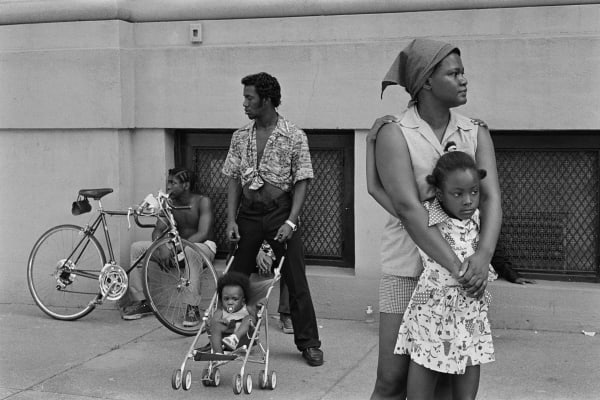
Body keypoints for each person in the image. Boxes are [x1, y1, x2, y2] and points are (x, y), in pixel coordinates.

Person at [366, 38, 502, 399]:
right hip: (407, 271)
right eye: (453, 73)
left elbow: (491, 199)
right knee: (392, 380)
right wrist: (459, 265)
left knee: (446, 377)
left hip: (464, 274)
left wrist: (483, 255)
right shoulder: (394, 132)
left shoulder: (476, 131)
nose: (463, 80)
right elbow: (409, 209)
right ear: (426, 80)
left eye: (462, 72)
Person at [221, 72, 323, 367]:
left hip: (280, 213)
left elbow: (303, 179)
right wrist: (231, 220)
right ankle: (229, 336)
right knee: (235, 280)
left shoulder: (293, 135)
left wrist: (291, 221)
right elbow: (232, 180)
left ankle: (309, 343)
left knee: (296, 279)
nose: (244, 103)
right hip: (248, 216)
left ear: (266, 99)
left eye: (249, 97)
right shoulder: (240, 137)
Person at [394, 150, 497, 399]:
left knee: (466, 388)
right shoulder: (426, 216)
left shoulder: (479, 220)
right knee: (420, 392)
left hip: (470, 316)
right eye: (458, 194)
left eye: (474, 192)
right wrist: (372, 138)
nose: (468, 201)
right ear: (440, 193)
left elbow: (490, 254)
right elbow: (378, 190)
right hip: (431, 315)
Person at [122, 168, 217, 326]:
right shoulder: (168, 203)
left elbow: (202, 233)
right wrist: (161, 248)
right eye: (168, 182)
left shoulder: (202, 201)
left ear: (186, 185)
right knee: (137, 248)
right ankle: (142, 302)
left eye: (173, 183)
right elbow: (157, 231)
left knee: (190, 250)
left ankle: (192, 308)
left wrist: (174, 248)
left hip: (203, 247)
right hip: (176, 246)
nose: (168, 186)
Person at [208, 271, 257, 353]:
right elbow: (213, 322)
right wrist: (219, 321)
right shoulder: (221, 311)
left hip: (243, 339)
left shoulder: (246, 308)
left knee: (249, 319)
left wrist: (257, 308)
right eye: (226, 299)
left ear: (243, 300)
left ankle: (235, 338)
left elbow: (256, 319)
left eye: (235, 299)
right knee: (215, 326)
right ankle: (218, 354)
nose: (230, 302)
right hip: (224, 338)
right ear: (221, 299)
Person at [256, 240, 294, 334]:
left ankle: (286, 314)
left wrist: (268, 254)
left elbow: (286, 238)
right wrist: (258, 252)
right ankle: (245, 311)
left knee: (291, 263)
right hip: (252, 249)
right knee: (238, 259)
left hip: (277, 251)